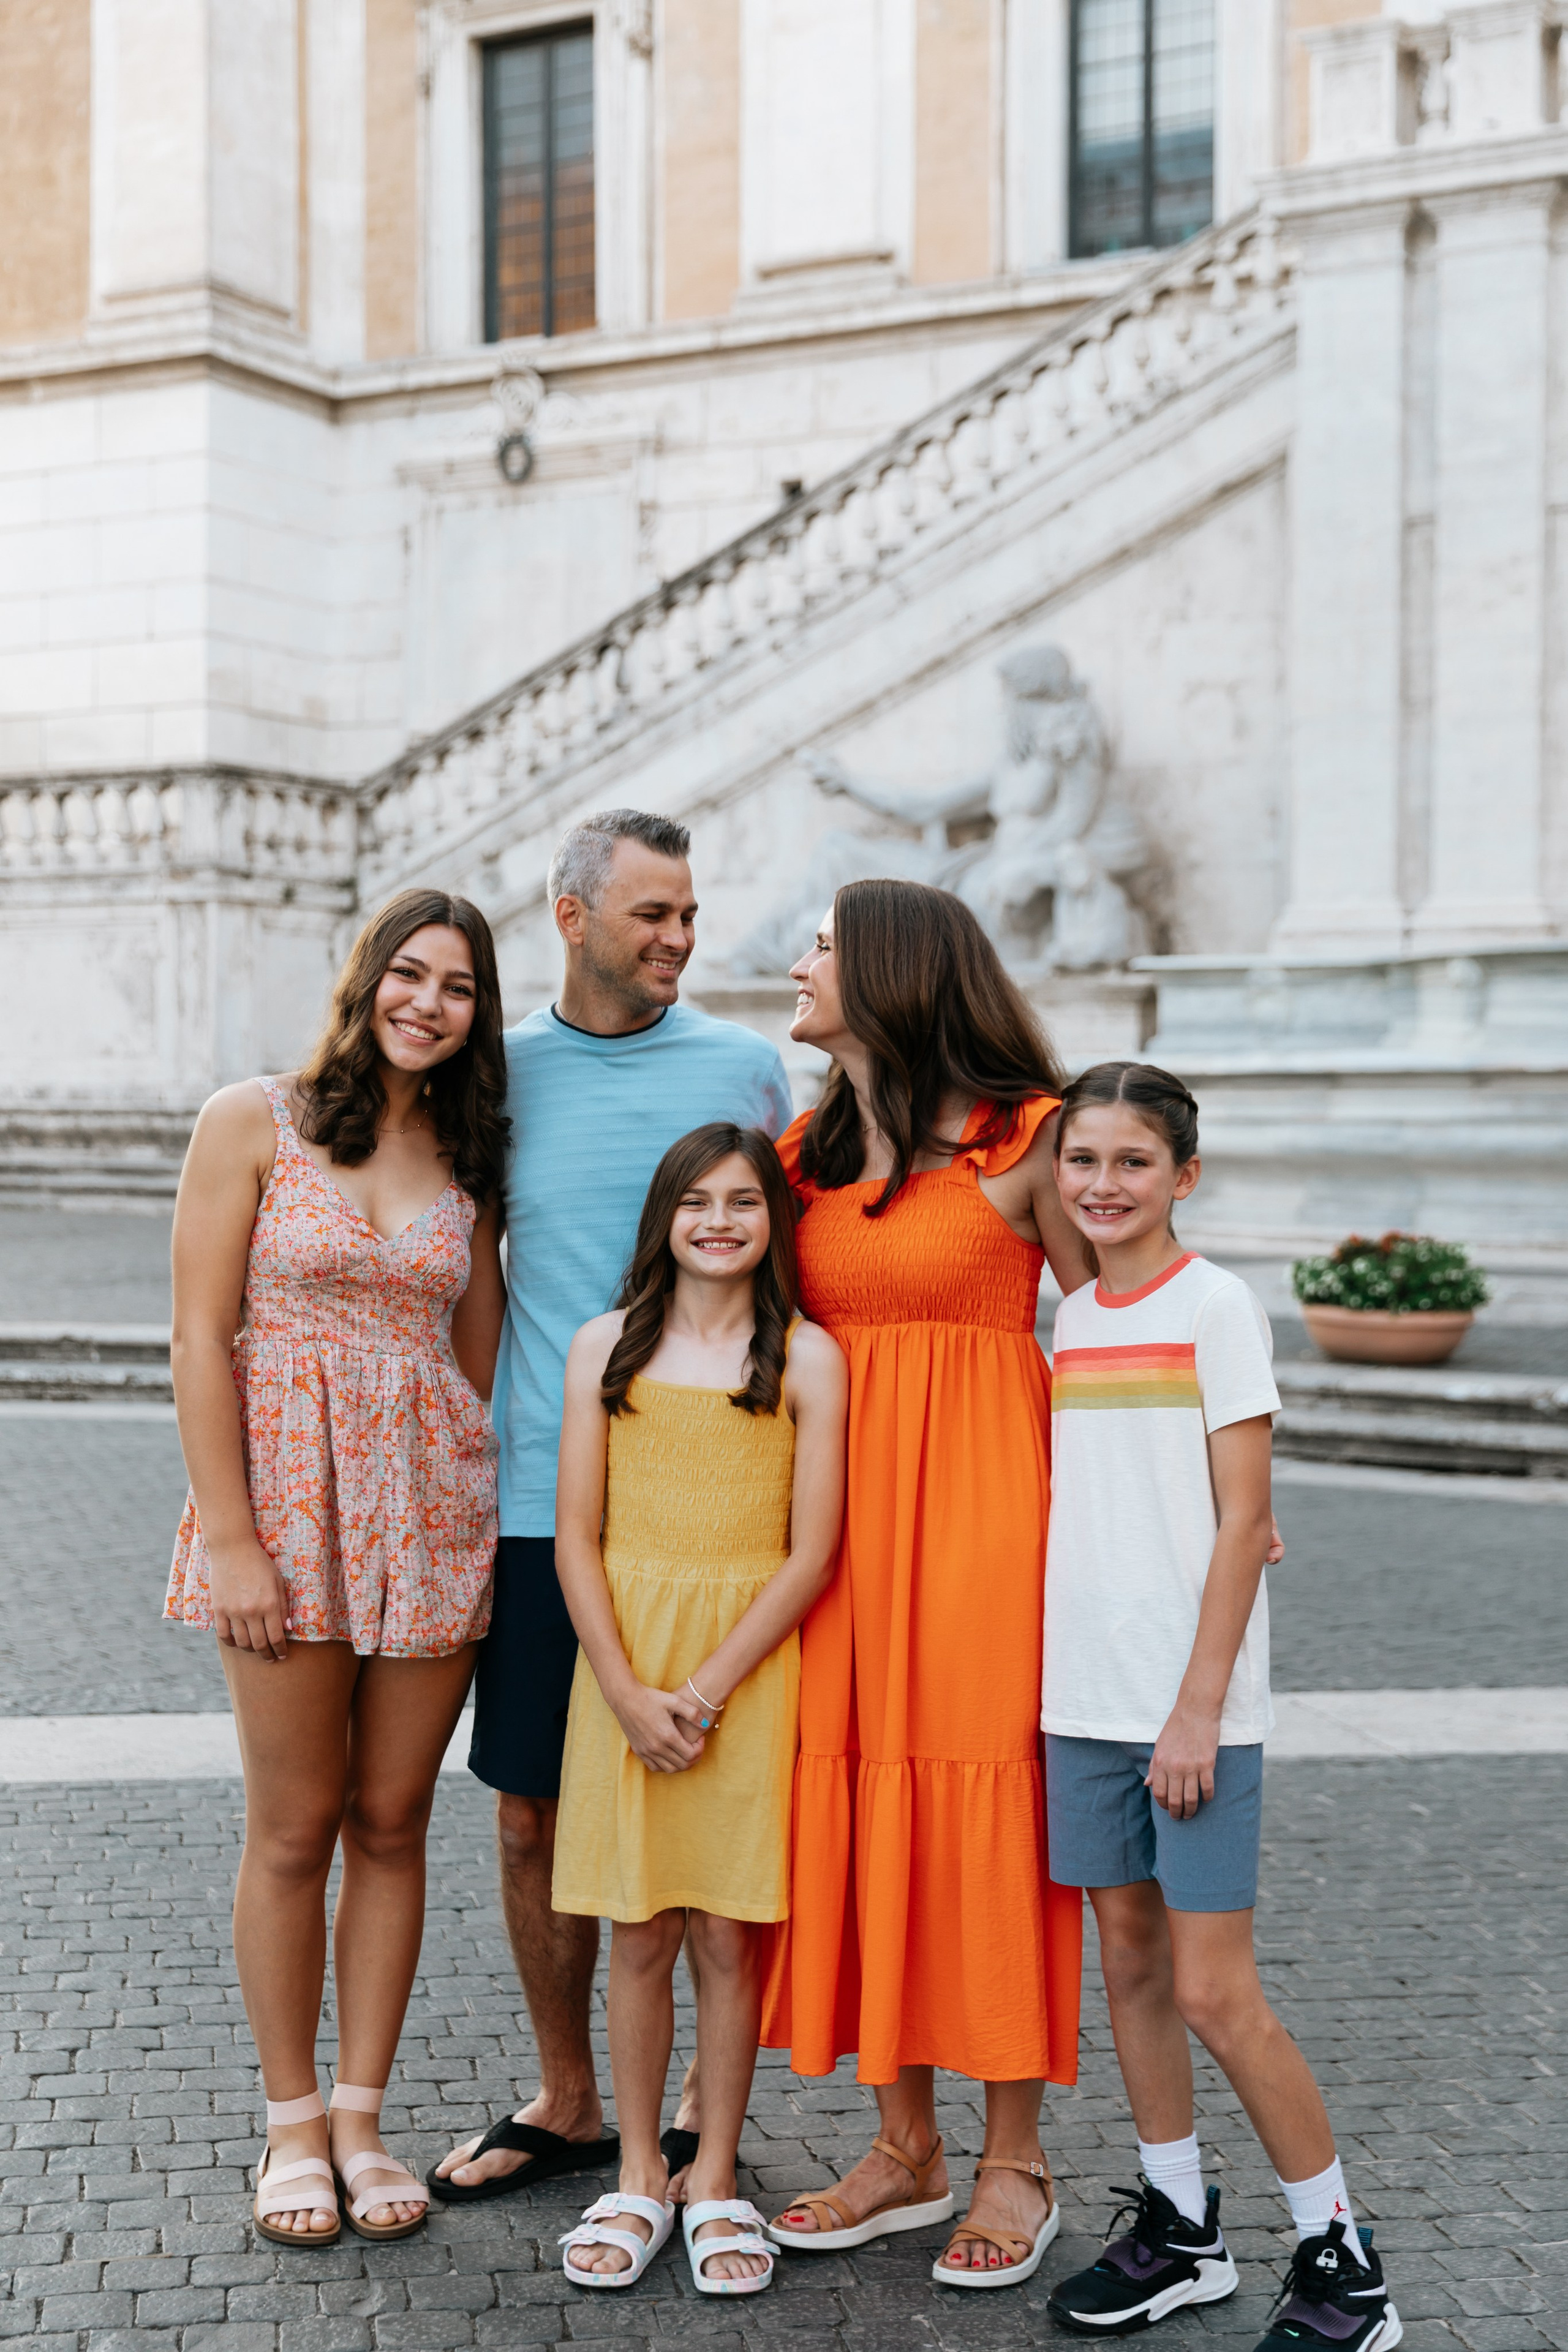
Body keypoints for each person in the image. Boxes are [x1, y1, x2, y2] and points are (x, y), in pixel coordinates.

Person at [432, 810, 794, 2205]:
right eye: (652, 914)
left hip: (710, 1516)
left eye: (690, 913)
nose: (679, 938)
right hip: (539, 1500)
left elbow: (785, 1276)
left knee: (703, 1811)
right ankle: (569, 2094)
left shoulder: (743, 1070)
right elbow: (456, 1261)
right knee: (529, 1817)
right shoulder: (496, 1075)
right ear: (570, 916)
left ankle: (704, 2098)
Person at [165, 889, 509, 2247]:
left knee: (393, 1823)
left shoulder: (473, 1154)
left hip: (427, 1520)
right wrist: (237, 1537)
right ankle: (291, 2125)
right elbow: (199, 1338)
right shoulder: (251, 1119)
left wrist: (432, 1471)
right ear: (366, 977)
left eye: (460, 988)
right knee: (295, 1830)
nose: (428, 1003)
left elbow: (471, 1356)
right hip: (287, 1526)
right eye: (409, 974)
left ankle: (366, 2122)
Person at [1041, 1063, 1401, 2352]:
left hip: (1192, 1707)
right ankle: (1178, 2231)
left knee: (1213, 1990)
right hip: (1077, 1698)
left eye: (1132, 1161)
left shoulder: (1216, 1307)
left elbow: (1243, 1519)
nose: (1102, 1184)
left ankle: (1342, 2260)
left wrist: (1193, 1711)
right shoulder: (1071, 1316)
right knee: (1128, 1968)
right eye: (1081, 1159)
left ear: (1181, 1175)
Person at [760, 877, 1089, 2290]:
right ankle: (905, 2145)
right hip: (838, 1534)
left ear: (892, 969)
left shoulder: (1031, 1136)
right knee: (850, 1798)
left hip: (986, 1526)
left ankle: (1014, 2158)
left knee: (984, 1804)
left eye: (820, 946)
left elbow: (1115, 1322)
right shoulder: (800, 1156)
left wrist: (1205, 1500)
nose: (795, 964)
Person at [549, 1125, 846, 2294]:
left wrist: (706, 1693)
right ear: (664, 1215)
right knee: (639, 1930)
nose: (720, 1221)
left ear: (776, 1222)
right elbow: (578, 1535)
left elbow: (811, 1551)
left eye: (745, 1202)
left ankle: (713, 2173)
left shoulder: (809, 1358)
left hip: (745, 1672)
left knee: (727, 1932)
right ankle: (634, 2172)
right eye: (698, 1201)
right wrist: (627, 1692)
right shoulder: (602, 1348)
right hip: (620, 1666)